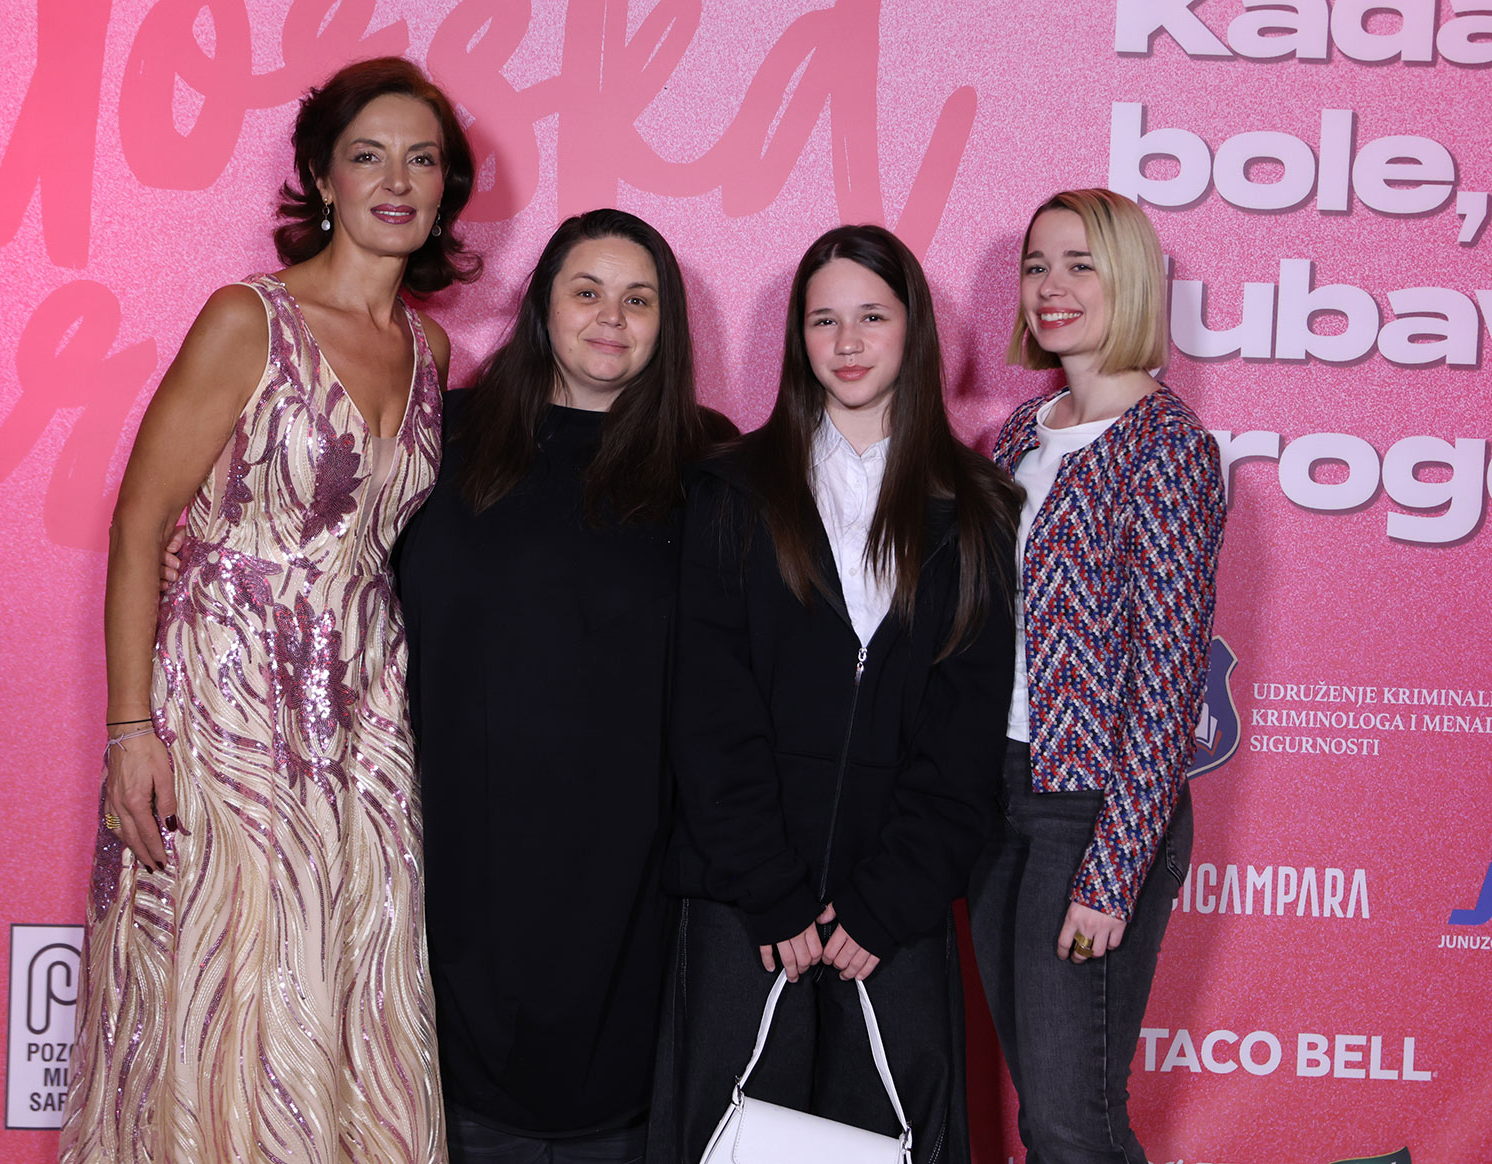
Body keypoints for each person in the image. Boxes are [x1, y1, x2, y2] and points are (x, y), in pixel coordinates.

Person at [59, 57, 478, 1164]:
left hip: (363, 717)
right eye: (368, 156)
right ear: (323, 179)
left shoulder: (433, 351)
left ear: (446, 187)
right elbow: (141, 525)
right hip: (226, 705)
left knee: (351, 981)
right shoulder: (250, 319)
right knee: (224, 983)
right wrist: (130, 730)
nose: (397, 181)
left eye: (422, 159)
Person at [650, 224, 1018, 1164]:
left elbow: (965, 731)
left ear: (913, 329)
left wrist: (887, 903)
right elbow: (708, 711)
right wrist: (771, 890)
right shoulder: (729, 490)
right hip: (744, 903)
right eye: (824, 321)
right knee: (723, 1142)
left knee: (895, 1142)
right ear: (799, 337)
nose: (848, 343)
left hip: (893, 914)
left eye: (872, 317)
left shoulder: (977, 506)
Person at [391, 208, 736, 1164]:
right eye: (587, 292)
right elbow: (328, 555)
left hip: (626, 878)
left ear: (667, 325)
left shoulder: (710, 465)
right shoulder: (443, 434)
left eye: (639, 300)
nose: (611, 318)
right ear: (544, 305)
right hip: (452, 853)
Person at [966, 188, 1226, 1163]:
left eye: (1080, 264)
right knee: (1047, 1107)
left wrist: (1112, 875)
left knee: (1072, 1120)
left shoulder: (1167, 447)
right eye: (1037, 265)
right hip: (1000, 795)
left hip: (1090, 813)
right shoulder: (1021, 435)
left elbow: (1167, 681)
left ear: (1130, 279)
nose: (1052, 285)